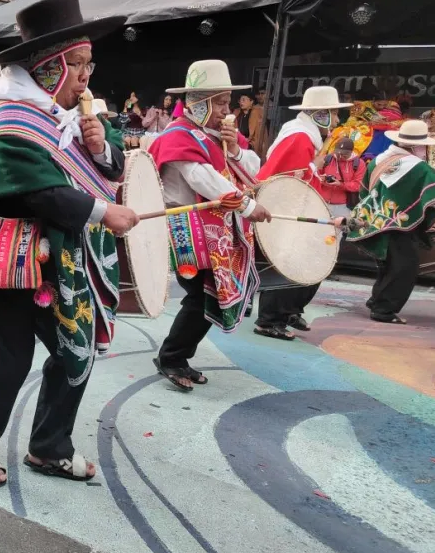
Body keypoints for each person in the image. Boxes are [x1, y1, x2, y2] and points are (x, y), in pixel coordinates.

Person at [0, 0, 138, 488]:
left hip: (63, 260)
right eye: (76, 65)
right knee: (7, 363)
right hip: (12, 257)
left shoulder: (64, 115)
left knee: (75, 353)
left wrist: (100, 146)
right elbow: (39, 192)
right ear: (48, 67)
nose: (85, 76)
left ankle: (48, 447)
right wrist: (104, 211)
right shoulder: (12, 117)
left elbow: (110, 167)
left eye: (88, 64)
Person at [148, 60, 270, 393]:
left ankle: (178, 356)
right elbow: (201, 177)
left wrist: (233, 147)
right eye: (219, 103)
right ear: (198, 102)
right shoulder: (179, 135)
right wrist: (247, 206)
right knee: (200, 298)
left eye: (227, 102)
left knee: (208, 296)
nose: (225, 110)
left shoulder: (215, 136)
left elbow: (253, 169)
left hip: (213, 229)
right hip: (184, 228)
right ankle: (171, 356)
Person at [253, 86, 351, 340]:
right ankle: (271, 318)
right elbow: (286, 180)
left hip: (297, 209)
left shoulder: (305, 137)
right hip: (288, 213)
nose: (338, 120)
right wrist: (314, 166)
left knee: (305, 261)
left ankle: (288, 310)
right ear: (320, 115)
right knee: (288, 263)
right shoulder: (300, 138)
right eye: (334, 113)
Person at [348, 120, 435, 324]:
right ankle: (383, 309)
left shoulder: (380, 159)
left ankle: (377, 300)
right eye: (424, 146)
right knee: (405, 266)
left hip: (375, 221)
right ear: (415, 146)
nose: (425, 150)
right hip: (400, 225)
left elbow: (364, 190)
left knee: (388, 264)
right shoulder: (419, 168)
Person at [318, 137, 367, 218]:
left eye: (344, 155)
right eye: (338, 153)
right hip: (322, 201)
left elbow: (358, 185)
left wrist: (341, 184)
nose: (340, 156)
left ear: (351, 152)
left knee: (342, 229)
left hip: (343, 205)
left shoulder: (358, 164)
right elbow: (316, 174)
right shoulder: (327, 159)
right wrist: (321, 179)